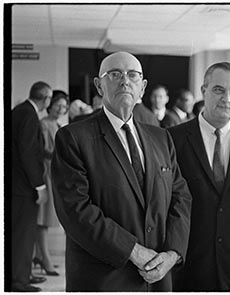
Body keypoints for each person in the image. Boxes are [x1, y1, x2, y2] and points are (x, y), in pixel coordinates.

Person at [51, 51, 192, 291]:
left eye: (133, 75)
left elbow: (180, 197)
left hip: (158, 277)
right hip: (104, 278)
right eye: (115, 74)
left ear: (143, 87)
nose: (125, 80)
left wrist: (172, 253)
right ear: (99, 85)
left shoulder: (161, 138)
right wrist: (134, 252)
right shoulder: (73, 138)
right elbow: (76, 211)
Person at [169, 62, 230, 291]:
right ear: (204, 91)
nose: (227, 98)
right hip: (189, 257)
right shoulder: (173, 139)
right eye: (218, 90)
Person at [10, 81, 52, 291]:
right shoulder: (28, 114)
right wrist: (39, 186)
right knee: (22, 234)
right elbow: (27, 151)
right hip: (23, 187)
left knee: (20, 233)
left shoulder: (19, 110)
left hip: (16, 185)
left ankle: (22, 273)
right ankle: (18, 280)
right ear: (45, 98)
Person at [33, 90, 70, 277]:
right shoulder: (44, 124)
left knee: (47, 219)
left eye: (64, 106)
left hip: (53, 174)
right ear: (50, 104)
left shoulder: (57, 124)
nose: (61, 109)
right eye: (58, 105)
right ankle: (44, 258)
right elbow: (42, 151)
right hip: (45, 173)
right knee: (43, 220)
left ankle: (40, 255)